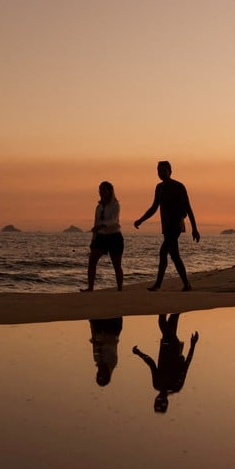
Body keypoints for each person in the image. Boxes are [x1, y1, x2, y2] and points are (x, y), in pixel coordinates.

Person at [134, 161, 200, 291]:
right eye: (159, 171)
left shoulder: (178, 186)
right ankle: (186, 284)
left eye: (164, 170)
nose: (161, 173)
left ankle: (158, 285)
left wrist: (195, 228)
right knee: (174, 256)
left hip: (176, 225)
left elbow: (188, 208)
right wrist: (141, 220)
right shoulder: (159, 188)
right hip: (166, 226)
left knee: (163, 252)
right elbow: (154, 207)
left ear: (170, 171)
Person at [132, 314, 199, 413]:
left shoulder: (157, 384)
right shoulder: (175, 386)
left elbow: (151, 364)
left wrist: (139, 353)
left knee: (168, 320)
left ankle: (172, 304)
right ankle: (171, 304)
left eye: (158, 401)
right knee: (165, 321)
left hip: (165, 344)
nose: (160, 399)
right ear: (166, 402)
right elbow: (186, 365)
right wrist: (192, 345)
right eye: (162, 402)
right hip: (173, 347)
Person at [81, 181, 123, 291]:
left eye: (104, 189)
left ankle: (120, 289)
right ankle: (90, 287)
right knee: (92, 260)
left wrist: (102, 226)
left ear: (110, 191)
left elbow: (114, 220)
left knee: (116, 264)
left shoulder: (115, 205)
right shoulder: (99, 207)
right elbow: (95, 224)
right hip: (101, 237)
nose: (101, 192)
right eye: (100, 190)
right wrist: (93, 239)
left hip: (114, 236)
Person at [89, 317, 123, 386]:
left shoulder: (97, 359)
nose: (100, 373)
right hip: (112, 328)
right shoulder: (112, 361)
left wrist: (91, 322)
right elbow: (111, 342)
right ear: (107, 375)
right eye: (102, 376)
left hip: (102, 328)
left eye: (99, 375)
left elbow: (94, 336)